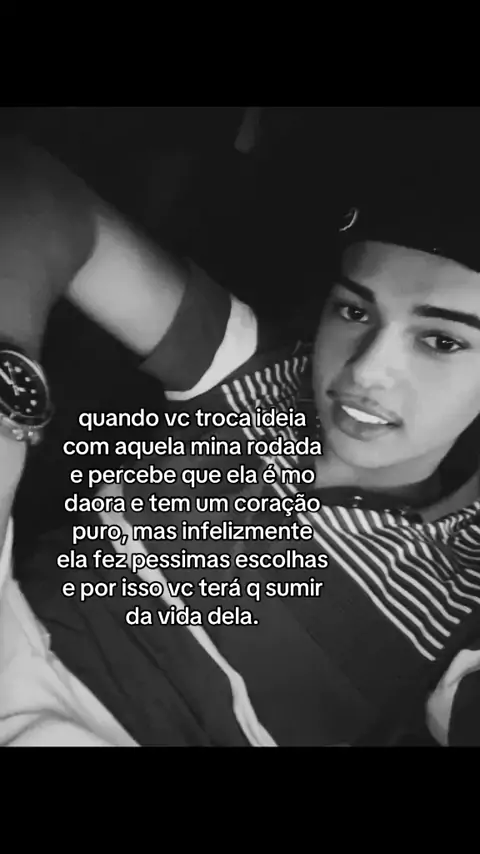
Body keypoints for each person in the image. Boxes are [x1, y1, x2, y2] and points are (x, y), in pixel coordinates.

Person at [5, 132, 480, 746]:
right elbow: (32, 188)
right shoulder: (266, 372)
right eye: (355, 311)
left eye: (442, 341)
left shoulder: (464, 577)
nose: (365, 373)